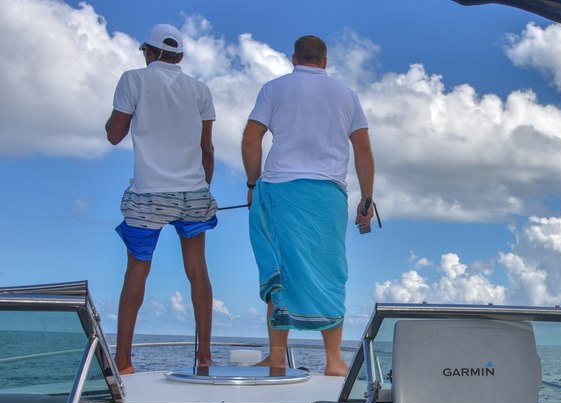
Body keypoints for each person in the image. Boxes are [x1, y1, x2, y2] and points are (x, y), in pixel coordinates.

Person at [241, 35, 375, 377]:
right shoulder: (347, 95)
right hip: (328, 195)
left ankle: (275, 357)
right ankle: (333, 361)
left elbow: (250, 138)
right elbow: (362, 150)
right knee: (332, 272)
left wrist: (252, 185)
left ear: (294, 58)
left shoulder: (274, 88)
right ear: (325, 61)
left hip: (280, 190)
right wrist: (367, 199)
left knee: (279, 270)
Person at [105, 24, 217, 374]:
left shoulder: (133, 80)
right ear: (180, 56)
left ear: (148, 52)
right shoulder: (200, 89)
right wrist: (202, 189)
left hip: (148, 194)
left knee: (137, 271)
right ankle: (204, 358)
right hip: (193, 192)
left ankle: (124, 362)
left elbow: (114, 135)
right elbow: (207, 149)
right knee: (197, 270)